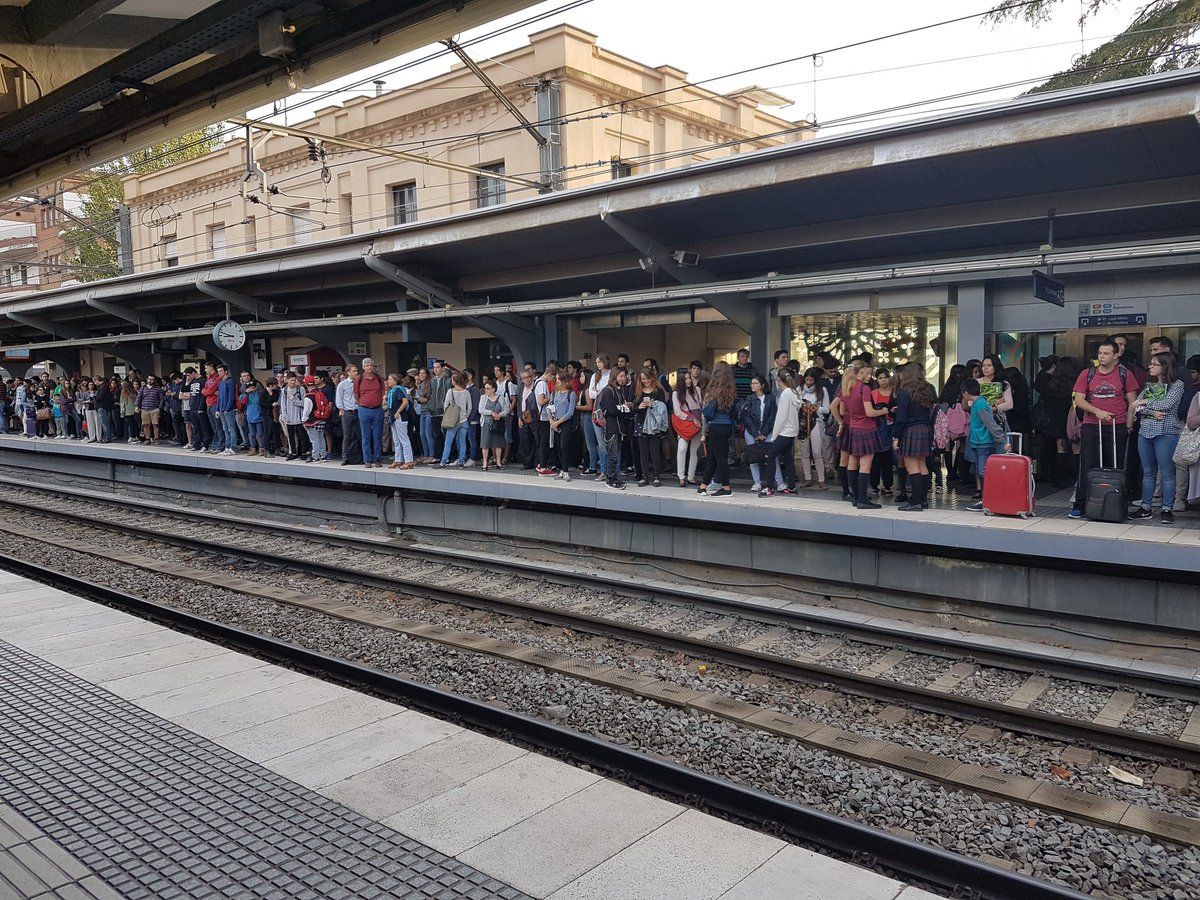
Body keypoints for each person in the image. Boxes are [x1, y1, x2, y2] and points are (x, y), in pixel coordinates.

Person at [1069, 339, 1137, 519]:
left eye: (1106, 353)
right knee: (1088, 466)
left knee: (1115, 466)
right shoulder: (1087, 373)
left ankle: (1116, 504)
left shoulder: (1125, 374)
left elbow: (1132, 402)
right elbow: (1080, 400)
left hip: (1118, 425)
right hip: (1092, 425)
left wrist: (1129, 424)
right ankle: (1081, 504)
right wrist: (1097, 411)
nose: (1102, 356)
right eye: (1100, 353)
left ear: (1116, 356)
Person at [1127, 352, 1185, 523]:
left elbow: (1167, 405)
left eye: (1154, 364)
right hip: (1145, 432)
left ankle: (1167, 508)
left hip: (1166, 433)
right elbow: (1136, 407)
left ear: (1165, 366)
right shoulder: (1149, 385)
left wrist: (1145, 403)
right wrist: (1150, 410)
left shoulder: (1177, 385)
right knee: (1148, 472)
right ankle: (1146, 507)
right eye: (1150, 364)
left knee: (1167, 473)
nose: (1150, 367)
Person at [842, 362, 890, 509]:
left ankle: (855, 498)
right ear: (858, 373)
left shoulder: (847, 387)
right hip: (867, 428)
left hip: (853, 428)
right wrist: (883, 411)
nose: (869, 376)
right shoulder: (864, 388)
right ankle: (863, 499)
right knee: (865, 465)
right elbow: (869, 412)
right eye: (866, 373)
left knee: (852, 463)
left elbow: (842, 411)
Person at [892, 362, 936, 512]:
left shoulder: (904, 392)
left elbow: (901, 417)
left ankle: (915, 501)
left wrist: (896, 436)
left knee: (912, 467)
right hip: (925, 429)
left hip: (910, 430)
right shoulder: (927, 389)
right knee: (922, 465)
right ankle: (923, 500)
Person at [964, 378, 1010, 511]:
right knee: (981, 472)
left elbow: (991, 424)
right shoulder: (981, 403)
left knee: (983, 472)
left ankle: (987, 501)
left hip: (983, 443)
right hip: (979, 443)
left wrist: (1002, 440)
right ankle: (987, 500)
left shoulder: (980, 405)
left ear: (966, 393)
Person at [759, 369, 801, 497]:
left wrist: (775, 435)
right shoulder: (794, 392)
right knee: (788, 458)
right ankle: (792, 487)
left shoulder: (785, 394)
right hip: (792, 430)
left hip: (784, 431)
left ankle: (769, 488)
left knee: (770, 456)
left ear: (778, 381)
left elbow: (781, 417)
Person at [698, 362, 737, 497]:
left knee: (719, 458)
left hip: (715, 426)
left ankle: (726, 488)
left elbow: (706, 413)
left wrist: (704, 432)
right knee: (714, 457)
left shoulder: (712, 390)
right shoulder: (730, 389)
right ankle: (703, 485)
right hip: (727, 426)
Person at [597, 366, 634, 489]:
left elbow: (621, 409)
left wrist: (623, 407)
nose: (623, 379)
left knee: (616, 454)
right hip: (612, 427)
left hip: (619, 427)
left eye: (625, 376)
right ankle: (611, 479)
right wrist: (623, 408)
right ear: (615, 377)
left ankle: (614, 477)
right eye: (621, 376)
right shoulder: (608, 390)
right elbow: (612, 410)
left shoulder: (619, 390)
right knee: (612, 455)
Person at [632, 368, 667, 487]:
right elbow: (633, 408)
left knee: (655, 451)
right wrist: (639, 406)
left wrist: (653, 405)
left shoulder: (658, 390)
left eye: (647, 378)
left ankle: (656, 476)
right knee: (643, 452)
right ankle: (644, 476)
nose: (645, 381)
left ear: (652, 377)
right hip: (641, 422)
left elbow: (663, 408)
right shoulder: (638, 391)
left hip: (654, 424)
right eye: (642, 379)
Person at [797, 367, 829, 489]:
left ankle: (821, 479)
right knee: (804, 453)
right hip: (802, 423)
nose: (809, 382)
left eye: (811, 380)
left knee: (817, 452)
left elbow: (827, 409)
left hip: (816, 421)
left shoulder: (822, 390)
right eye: (807, 380)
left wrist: (816, 408)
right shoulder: (799, 390)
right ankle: (807, 478)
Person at [673, 369, 705, 487]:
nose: (688, 380)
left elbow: (700, 406)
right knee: (682, 449)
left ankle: (691, 476)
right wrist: (692, 419)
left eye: (689, 378)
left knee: (695, 451)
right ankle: (681, 476)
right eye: (686, 379)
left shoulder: (697, 390)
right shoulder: (676, 393)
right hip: (685, 423)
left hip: (698, 422)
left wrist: (701, 421)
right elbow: (677, 412)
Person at [869, 367, 897, 498]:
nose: (883, 380)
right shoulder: (873, 394)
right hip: (878, 428)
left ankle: (888, 485)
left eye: (885, 377)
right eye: (880, 378)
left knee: (888, 458)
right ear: (877, 380)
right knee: (876, 458)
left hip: (892, 427)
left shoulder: (895, 392)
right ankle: (874, 484)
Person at [355, 357, 387, 468]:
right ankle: (367, 459)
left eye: (371, 365)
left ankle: (377, 458)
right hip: (364, 409)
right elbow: (356, 395)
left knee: (378, 436)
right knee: (366, 436)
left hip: (377, 409)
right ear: (363, 367)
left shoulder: (379, 378)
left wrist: (380, 401)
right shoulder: (359, 379)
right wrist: (362, 404)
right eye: (367, 365)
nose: (369, 367)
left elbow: (383, 391)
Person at [438, 372, 472, 467]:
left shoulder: (450, 391)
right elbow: (469, 407)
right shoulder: (466, 392)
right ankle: (461, 460)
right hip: (464, 420)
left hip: (453, 421)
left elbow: (445, 406)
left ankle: (443, 461)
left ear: (454, 381)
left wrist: (448, 415)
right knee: (462, 441)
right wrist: (465, 416)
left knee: (448, 442)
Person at [587, 354, 612, 478]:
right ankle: (603, 471)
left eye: (599, 362)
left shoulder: (612, 374)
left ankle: (613, 470)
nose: (597, 364)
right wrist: (600, 392)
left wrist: (599, 392)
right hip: (597, 411)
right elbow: (591, 393)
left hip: (609, 411)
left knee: (612, 443)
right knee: (601, 443)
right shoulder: (595, 376)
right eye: (596, 362)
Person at [549, 372, 577, 481]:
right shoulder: (554, 393)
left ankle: (566, 470)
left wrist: (558, 422)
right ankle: (561, 469)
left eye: (558, 379)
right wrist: (552, 421)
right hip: (555, 422)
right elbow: (549, 408)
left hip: (565, 422)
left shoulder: (571, 394)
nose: (557, 381)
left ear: (565, 380)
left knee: (564, 446)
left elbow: (570, 412)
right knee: (557, 447)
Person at [478, 379, 510, 472]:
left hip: (497, 424)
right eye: (485, 388)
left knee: (498, 443)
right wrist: (491, 413)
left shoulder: (501, 398)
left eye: (488, 388)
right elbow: (480, 409)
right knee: (485, 444)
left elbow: (506, 410)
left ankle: (498, 462)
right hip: (486, 424)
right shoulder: (483, 398)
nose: (486, 390)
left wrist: (499, 415)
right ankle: (485, 462)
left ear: (493, 389)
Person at [385, 373, 414, 469]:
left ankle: (409, 460)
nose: (388, 381)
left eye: (390, 379)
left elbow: (404, 401)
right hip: (393, 417)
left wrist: (398, 411)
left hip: (400, 417)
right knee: (396, 440)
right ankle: (398, 459)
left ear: (395, 381)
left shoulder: (398, 390)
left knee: (403, 439)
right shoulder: (392, 391)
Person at [334, 363, 361, 466]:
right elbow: (339, 398)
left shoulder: (359, 382)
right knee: (347, 436)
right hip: (348, 411)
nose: (356, 373)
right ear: (349, 372)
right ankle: (345, 457)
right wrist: (341, 409)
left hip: (358, 410)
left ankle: (358, 456)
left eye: (356, 371)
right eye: (354, 371)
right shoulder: (343, 384)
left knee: (358, 435)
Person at [533, 364, 558, 476]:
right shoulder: (542, 384)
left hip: (541, 416)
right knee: (545, 441)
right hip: (543, 416)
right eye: (553, 378)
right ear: (549, 374)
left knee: (543, 441)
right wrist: (552, 396)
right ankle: (543, 466)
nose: (553, 380)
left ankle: (542, 464)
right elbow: (541, 401)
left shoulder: (537, 382)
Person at [279, 373, 308, 461]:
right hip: (289, 417)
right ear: (287, 380)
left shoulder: (301, 389)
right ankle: (293, 452)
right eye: (291, 380)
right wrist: (284, 415)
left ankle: (303, 452)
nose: (293, 382)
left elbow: (304, 402)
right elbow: (283, 404)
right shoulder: (284, 391)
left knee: (302, 435)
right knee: (290, 436)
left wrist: (295, 401)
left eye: (294, 380)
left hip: (299, 417)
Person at [241, 379, 268, 456]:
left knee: (260, 434)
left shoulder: (260, 394)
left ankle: (262, 448)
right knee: (252, 434)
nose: (252, 389)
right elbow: (242, 402)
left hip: (259, 416)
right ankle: (253, 449)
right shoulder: (246, 395)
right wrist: (246, 393)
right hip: (250, 416)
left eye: (253, 387)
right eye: (250, 387)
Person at [215, 365, 239, 455]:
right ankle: (227, 446)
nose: (219, 373)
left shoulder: (230, 381)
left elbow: (231, 396)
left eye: (221, 371)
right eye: (218, 371)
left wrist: (228, 408)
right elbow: (219, 398)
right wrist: (217, 409)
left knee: (231, 428)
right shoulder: (220, 383)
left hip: (228, 409)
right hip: (221, 409)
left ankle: (232, 447)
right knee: (225, 429)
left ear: (225, 371)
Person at [136, 374, 165, 444]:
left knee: (155, 424)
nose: (150, 380)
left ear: (154, 380)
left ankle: (156, 439)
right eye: (149, 379)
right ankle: (147, 439)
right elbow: (138, 398)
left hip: (154, 408)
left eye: (151, 379)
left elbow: (162, 399)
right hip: (144, 408)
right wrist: (137, 406)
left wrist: (159, 408)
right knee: (145, 425)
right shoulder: (143, 388)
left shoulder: (157, 388)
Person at [200, 362, 222, 452]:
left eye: (206, 368)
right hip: (208, 404)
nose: (205, 370)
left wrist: (207, 391)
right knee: (214, 427)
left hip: (215, 404)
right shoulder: (208, 378)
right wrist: (207, 391)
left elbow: (209, 391)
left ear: (210, 368)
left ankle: (220, 446)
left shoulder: (217, 377)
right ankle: (215, 445)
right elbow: (204, 390)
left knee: (219, 427)